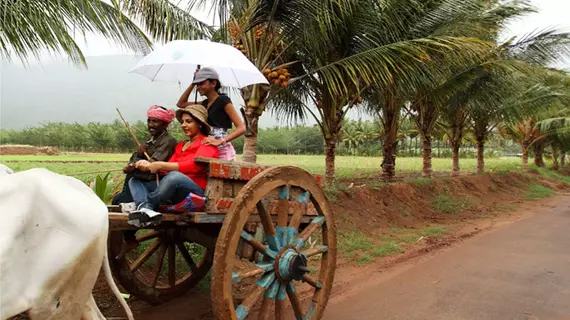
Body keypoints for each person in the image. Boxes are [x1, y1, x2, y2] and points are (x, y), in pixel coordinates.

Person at [127, 104, 219, 229]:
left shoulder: (207, 144)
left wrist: (161, 164)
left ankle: (144, 205)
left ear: (200, 124)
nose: (183, 125)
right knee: (136, 180)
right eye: (182, 122)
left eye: (189, 121)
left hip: (194, 192)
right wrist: (147, 165)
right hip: (173, 189)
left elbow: (195, 166)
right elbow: (165, 170)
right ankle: (145, 208)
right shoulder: (181, 145)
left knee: (174, 177)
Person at [112, 105, 177, 206]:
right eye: (149, 121)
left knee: (121, 199)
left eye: (155, 121)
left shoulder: (168, 141)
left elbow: (153, 166)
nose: (150, 125)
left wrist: (133, 168)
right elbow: (134, 158)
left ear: (165, 125)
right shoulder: (149, 139)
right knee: (117, 200)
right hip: (142, 178)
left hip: (156, 182)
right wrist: (137, 156)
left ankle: (141, 206)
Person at [177, 67, 246, 161]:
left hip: (222, 150)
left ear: (213, 83)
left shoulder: (223, 100)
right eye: (197, 85)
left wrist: (220, 141)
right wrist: (193, 82)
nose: (198, 88)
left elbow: (241, 128)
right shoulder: (205, 103)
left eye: (201, 84)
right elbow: (181, 104)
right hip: (207, 147)